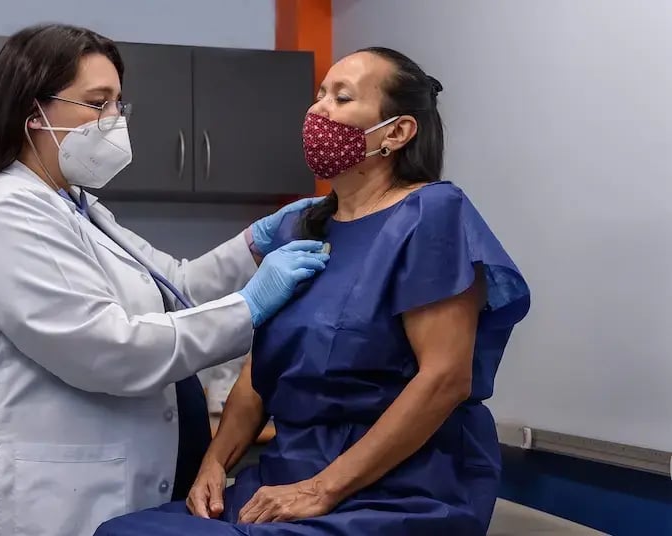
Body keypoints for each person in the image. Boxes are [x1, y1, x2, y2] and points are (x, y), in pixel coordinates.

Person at [96, 47, 531, 536]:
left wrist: (323, 489)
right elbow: (257, 375)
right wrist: (213, 464)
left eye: (341, 98)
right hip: (287, 477)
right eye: (319, 94)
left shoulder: (431, 216)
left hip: (399, 489)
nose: (317, 110)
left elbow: (446, 379)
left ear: (397, 132)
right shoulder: (303, 230)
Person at [0, 23, 330, 536]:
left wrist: (254, 244)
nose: (114, 120)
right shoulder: (3, 213)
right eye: (97, 103)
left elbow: (173, 285)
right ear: (34, 113)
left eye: (118, 103)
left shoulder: (77, 207)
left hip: (111, 490)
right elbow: (110, 349)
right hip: (45, 505)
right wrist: (249, 307)